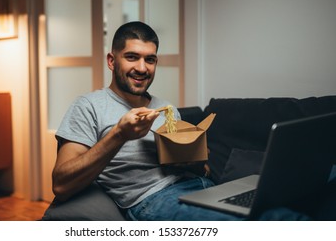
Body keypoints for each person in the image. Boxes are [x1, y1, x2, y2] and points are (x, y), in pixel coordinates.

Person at [52, 21, 311, 221]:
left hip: (205, 187)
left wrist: (196, 162)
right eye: (132, 57)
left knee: (287, 213)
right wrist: (119, 134)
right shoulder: (88, 106)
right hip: (155, 199)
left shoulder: (167, 109)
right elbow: (61, 184)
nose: (142, 68)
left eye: (150, 59)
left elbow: (201, 169)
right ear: (112, 61)